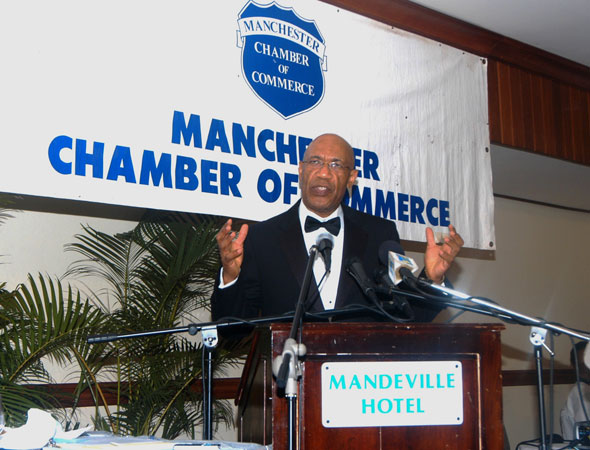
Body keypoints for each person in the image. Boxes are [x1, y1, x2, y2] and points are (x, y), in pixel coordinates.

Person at [211, 133, 463, 322]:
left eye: (335, 165)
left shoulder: (381, 234)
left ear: (351, 177)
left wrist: (433, 278)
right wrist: (230, 276)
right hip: (289, 385)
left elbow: (410, 315)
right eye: (315, 162)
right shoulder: (261, 238)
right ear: (301, 170)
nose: (323, 173)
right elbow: (232, 331)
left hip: (361, 384)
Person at [561, 341, 590, 441]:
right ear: (574, 368)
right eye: (583, 367)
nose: (588, 371)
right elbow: (586, 436)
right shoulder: (580, 391)